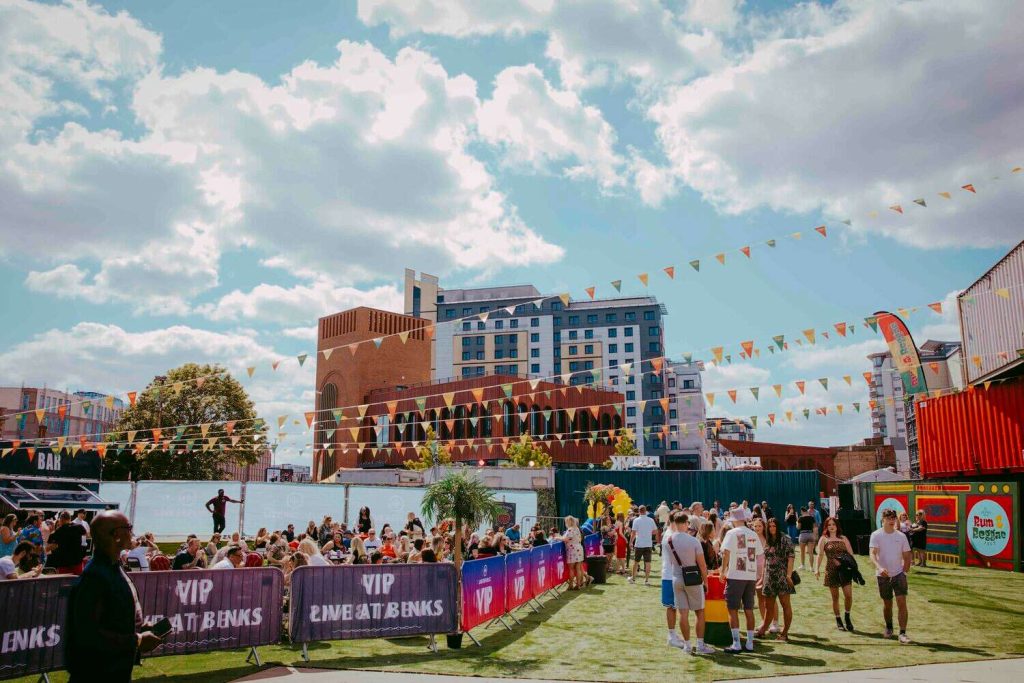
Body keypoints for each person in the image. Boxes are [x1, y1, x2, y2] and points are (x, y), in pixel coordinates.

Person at [66, 511, 162, 681]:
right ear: (116, 534)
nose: (132, 533)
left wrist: (138, 627)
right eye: (129, 528)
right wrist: (137, 640)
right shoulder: (95, 577)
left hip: (117, 668)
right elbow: (88, 633)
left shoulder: (113, 568)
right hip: (97, 672)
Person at [665, 512, 714, 655]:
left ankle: (687, 645)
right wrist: (706, 582)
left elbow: (670, 561)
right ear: (686, 523)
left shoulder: (669, 540)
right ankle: (700, 645)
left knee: (683, 613)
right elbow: (702, 565)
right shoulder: (693, 541)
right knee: (699, 612)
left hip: (677, 578)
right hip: (692, 579)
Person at [720, 507, 764, 654]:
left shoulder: (731, 533)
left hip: (735, 575)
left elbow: (726, 553)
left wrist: (722, 571)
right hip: (750, 576)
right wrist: (757, 573)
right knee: (749, 609)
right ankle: (750, 643)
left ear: (734, 520)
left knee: (732, 609)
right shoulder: (752, 534)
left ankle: (736, 643)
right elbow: (759, 555)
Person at [870, 508, 912, 644]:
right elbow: (872, 553)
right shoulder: (876, 535)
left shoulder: (901, 536)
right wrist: (879, 567)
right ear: (883, 520)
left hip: (899, 574)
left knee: (902, 603)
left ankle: (903, 633)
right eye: (888, 518)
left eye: (893, 518)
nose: (891, 520)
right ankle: (889, 627)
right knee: (887, 604)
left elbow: (907, 555)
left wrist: (904, 571)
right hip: (883, 576)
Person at [815, 517, 856, 632]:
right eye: (829, 525)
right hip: (831, 570)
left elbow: (851, 554)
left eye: (833, 524)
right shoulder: (823, 539)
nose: (831, 526)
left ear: (837, 525)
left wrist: (851, 566)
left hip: (845, 570)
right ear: (826, 527)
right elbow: (820, 555)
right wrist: (816, 569)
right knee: (835, 597)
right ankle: (838, 620)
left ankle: (847, 616)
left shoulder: (843, 538)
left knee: (848, 595)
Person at [759, 518, 795, 641]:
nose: (772, 528)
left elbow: (791, 557)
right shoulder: (768, 540)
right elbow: (766, 561)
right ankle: (763, 629)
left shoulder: (785, 539)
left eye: (774, 526)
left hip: (782, 577)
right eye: (770, 526)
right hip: (769, 577)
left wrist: (789, 575)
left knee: (785, 605)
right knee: (768, 606)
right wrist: (763, 577)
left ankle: (785, 633)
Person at [628, 505, 658, 585]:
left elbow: (633, 533)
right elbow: (655, 531)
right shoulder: (650, 520)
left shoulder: (636, 520)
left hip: (639, 544)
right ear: (645, 511)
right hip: (648, 544)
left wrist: (630, 542)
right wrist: (648, 533)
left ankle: (633, 579)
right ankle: (647, 580)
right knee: (647, 562)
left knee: (636, 562)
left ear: (639, 511)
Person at [563, 516, 587, 590]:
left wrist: (557, 537)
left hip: (572, 550)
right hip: (579, 549)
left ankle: (571, 585)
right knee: (578, 568)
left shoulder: (570, 529)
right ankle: (578, 585)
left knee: (571, 569)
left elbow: (566, 539)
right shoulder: (577, 529)